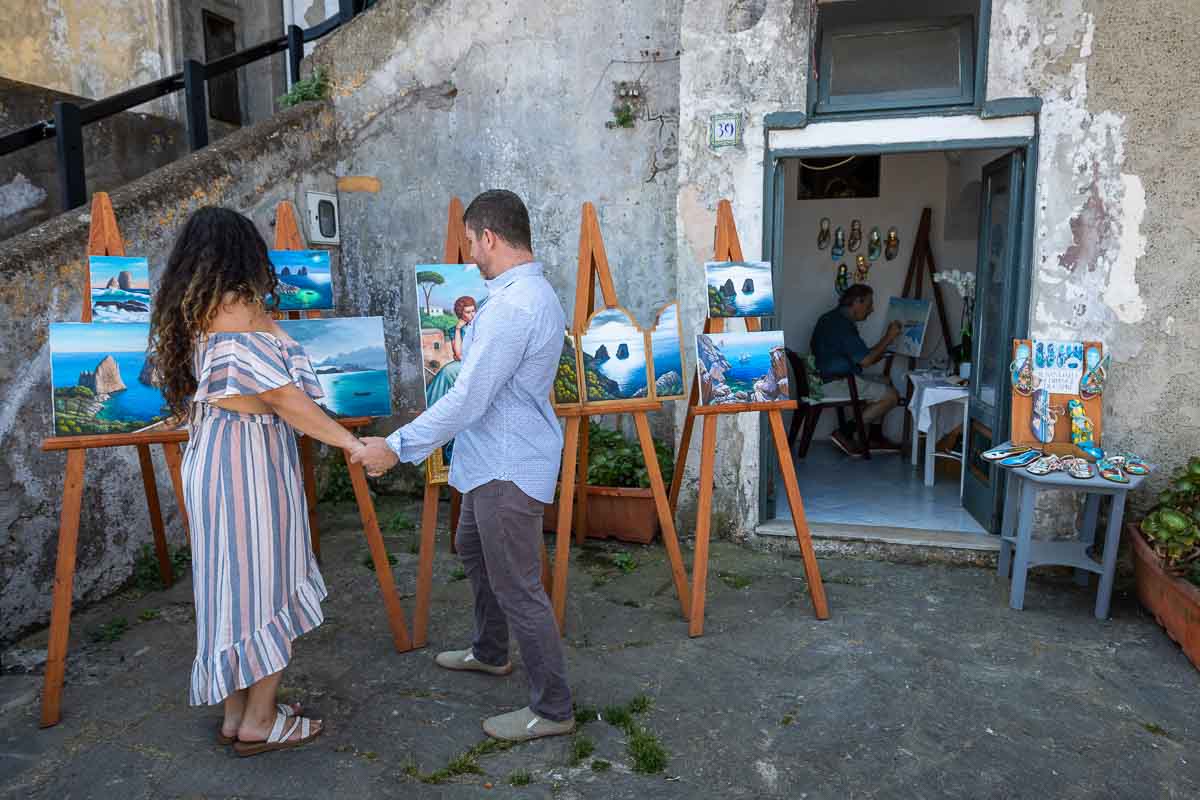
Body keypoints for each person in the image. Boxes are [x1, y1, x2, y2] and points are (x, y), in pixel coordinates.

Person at [353, 190, 574, 742]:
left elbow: (469, 398)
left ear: (490, 238)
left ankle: (553, 710)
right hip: (488, 459)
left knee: (519, 586)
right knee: (473, 549)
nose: (468, 252)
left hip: (507, 463)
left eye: (470, 241)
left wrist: (396, 446)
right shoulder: (517, 295)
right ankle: (491, 651)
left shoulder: (514, 306)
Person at [150, 207, 366, 756]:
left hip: (214, 457)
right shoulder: (239, 311)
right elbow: (279, 396)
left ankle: (236, 714)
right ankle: (261, 721)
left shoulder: (191, 312)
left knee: (232, 589)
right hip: (247, 462)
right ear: (244, 254)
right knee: (266, 586)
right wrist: (351, 442)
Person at [810, 283, 902, 456]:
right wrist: (889, 337)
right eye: (869, 304)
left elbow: (860, 357)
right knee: (892, 397)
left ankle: (874, 437)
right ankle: (845, 432)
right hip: (833, 382)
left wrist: (880, 351)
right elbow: (866, 360)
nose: (872, 309)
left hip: (824, 378)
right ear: (857, 302)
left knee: (885, 381)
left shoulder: (830, 318)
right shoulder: (842, 325)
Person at [425, 294, 477, 464]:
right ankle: (432, 411)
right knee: (448, 371)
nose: (472, 315)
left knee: (448, 371)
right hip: (465, 365)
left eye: (473, 311)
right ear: (460, 314)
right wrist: (457, 330)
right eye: (468, 312)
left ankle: (429, 410)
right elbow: (459, 354)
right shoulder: (455, 330)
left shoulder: (482, 326)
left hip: (478, 367)